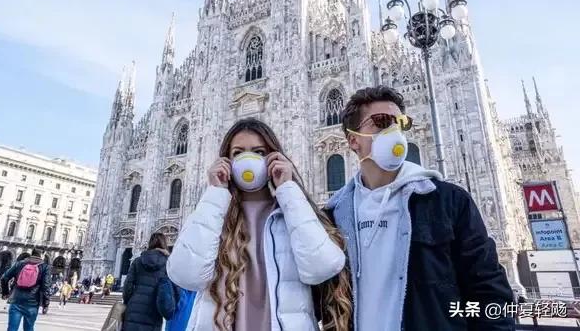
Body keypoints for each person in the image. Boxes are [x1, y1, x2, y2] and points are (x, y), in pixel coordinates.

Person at [326, 86, 515, 331]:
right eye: (381, 122)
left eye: (401, 124)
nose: (394, 132)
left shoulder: (449, 201)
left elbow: (490, 291)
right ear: (353, 140)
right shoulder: (334, 214)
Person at [167, 117, 351, 331]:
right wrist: (215, 194)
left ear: (274, 157)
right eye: (238, 153)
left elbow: (323, 267)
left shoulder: (291, 213)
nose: (248, 159)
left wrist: (288, 190)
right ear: (226, 161)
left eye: (259, 152)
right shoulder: (215, 214)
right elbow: (185, 275)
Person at [123, 232, 177, 331]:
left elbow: (127, 286)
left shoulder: (137, 261)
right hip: (154, 310)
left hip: (134, 308)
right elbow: (172, 289)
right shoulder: (169, 263)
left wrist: (128, 301)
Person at [0, 247, 51, 331]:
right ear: (42, 255)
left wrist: (5, 293)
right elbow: (46, 287)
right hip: (32, 303)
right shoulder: (45, 267)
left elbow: (4, 278)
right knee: (29, 328)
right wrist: (46, 304)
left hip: (16, 300)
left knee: (12, 329)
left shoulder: (19, 264)